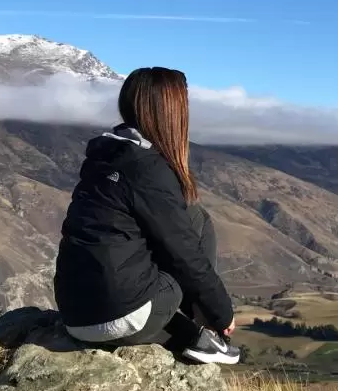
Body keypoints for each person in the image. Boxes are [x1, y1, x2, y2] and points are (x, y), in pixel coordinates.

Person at [53, 66, 240, 364]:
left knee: (168, 233)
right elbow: (184, 254)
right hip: (116, 316)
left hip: (74, 314)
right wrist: (221, 312)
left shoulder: (105, 156)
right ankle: (210, 328)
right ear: (171, 113)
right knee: (196, 221)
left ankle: (193, 337)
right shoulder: (148, 169)